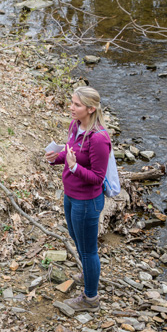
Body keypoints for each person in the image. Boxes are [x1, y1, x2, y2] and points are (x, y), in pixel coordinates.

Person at [45, 86, 111, 313]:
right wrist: (57, 158)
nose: (71, 108)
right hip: (71, 195)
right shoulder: (76, 125)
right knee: (76, 238)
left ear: (91, 109)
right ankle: (88, 273)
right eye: (72, 102)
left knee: (89, 249)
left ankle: (90, 298)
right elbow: (70, 152)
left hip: (87, 202)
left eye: (77, 105)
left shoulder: (99, 139)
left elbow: (97, 178)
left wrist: (73, 167)